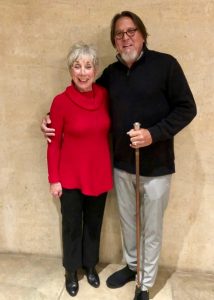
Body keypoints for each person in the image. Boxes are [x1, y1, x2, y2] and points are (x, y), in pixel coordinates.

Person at [42, 11, 197, 300]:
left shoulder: (166, 65)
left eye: (131, 31)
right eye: (119, 34)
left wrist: (154, 133)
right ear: (114, 42)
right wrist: (48, 119)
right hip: (122, 166)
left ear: (143, 34)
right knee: (128, 222)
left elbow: (187, 109)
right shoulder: (110, 75)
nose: (125, 38)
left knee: (150, 227)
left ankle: (145, 282)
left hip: (158, 166)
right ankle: (132, 265)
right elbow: (79, 97)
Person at [47, 42, 113, 297]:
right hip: (70, 176)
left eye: (88, 66)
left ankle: (90, 265)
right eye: (77, 66)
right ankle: (71, 271)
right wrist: (54, 179)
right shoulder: (60, 102)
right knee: (72, 225)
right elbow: (53, 145)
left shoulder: (105, 96)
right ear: (70, 70)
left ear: (95, 69)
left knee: (94, 223)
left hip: (99, 173)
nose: (83, 72)